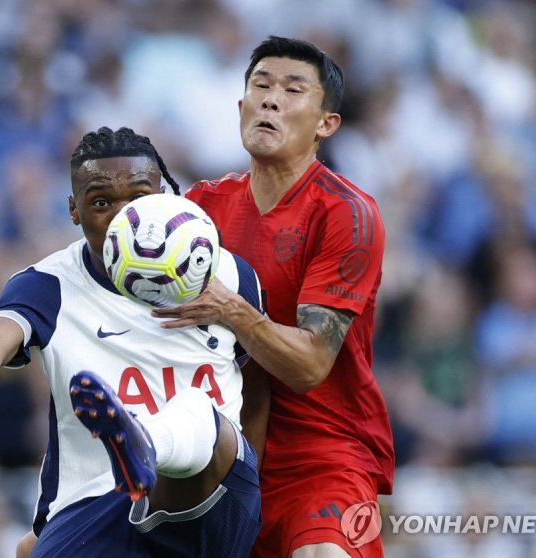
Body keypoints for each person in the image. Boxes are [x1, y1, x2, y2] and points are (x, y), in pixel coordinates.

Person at [0, 126, 266, 558]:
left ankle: (145, 442)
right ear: (73, 211)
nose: (123, 219)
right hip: (95, 504)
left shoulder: (228, 274)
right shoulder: (49, 285)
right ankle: (133, 452)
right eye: (101, 202)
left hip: (211, 500)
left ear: (166, 196)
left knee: (201, 415)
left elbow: (258, 387)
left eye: (139, 198)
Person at [154, 36, 395, 558]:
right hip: (213, 452)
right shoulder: (198, 208)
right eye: (260, 86)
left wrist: (233, 311)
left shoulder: (346, 214)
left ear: (326, 124)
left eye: (292, 89)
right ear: (240, 106)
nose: (269, 99)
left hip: (323, 455)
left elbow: (309, 364)